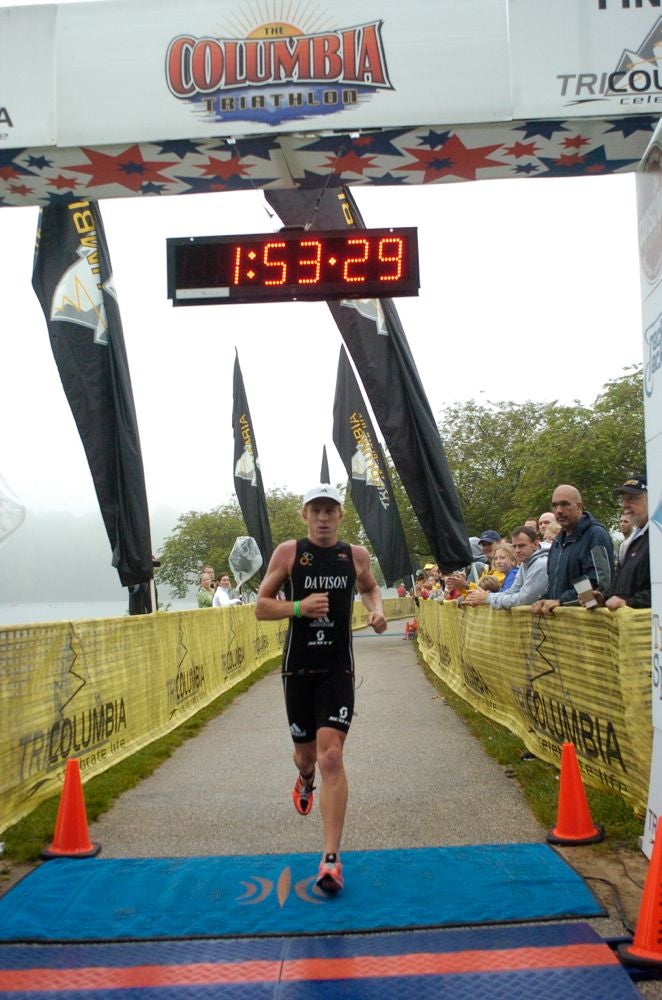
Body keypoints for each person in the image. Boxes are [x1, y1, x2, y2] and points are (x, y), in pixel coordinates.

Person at [255, 484, 387, 894]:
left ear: (340, 516)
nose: (323, 518)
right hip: (298, 669)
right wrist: (298, 607)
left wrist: (377, 610)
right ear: (305, 515)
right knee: (306, 755)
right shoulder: (289, 553)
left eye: (330, 510)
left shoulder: (355, 556)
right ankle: (304, 776)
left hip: (337, 669)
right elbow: (261, 606)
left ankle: (331, 859)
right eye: (316, 511)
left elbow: (369, 587)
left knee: (332, 756)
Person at [531, 485, 614, 616]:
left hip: (588, 622)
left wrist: (562, 601)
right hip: (559, 623)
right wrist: (544, 599)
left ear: (579, 506)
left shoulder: (595, 535)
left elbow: (600, 584)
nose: (559, 510)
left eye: (565, 504)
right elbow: (553, 584)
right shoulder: (557, 542)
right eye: (555, 505)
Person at [598, 475, 650, 610]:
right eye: (623, 499)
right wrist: (603, 598)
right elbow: (623, 586)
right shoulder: (630, 542)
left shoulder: (657, 537)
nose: (625, 505)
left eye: (632, 498)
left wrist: (629, 603)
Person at [464, 525, 548, 609]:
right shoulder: (525, 563)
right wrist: (481, 597)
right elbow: (512, 592)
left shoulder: (541, 564)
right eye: (514, 546)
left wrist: (488, 599)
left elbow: (525, 599)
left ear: (535, 544)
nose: (517, 550)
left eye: (521, 546)